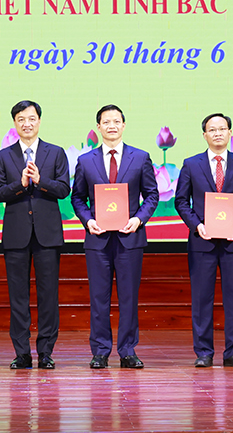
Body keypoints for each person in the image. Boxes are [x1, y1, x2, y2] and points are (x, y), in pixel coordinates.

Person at [71, 104, 159, 369]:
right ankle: (100, 351)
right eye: (106, 122)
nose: (111, 126)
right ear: (98, 127)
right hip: (97, 239)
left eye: (116, 121)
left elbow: (151, 195)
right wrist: (88, 220)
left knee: (129, 298)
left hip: (129, 238)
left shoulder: (140, 157)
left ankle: (128, 351)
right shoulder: (86, 160)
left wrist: (138, 219)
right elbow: (78, 197)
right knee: (99, 298)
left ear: (124, 125)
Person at [0, 100, 70, 369]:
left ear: (39, 121)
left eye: (31, 118)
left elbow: (63, 189)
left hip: (47, 235)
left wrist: (40, 181)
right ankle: (22, 353)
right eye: (21, 119)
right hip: (16, 235)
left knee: (48, 296)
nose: (27, 123)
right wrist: (20, 184)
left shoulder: (55, 153)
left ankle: (46, 352)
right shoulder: (4, 156)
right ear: (14, 123)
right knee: (18, 297)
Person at [174, 113, 233, 368]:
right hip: (202, 242)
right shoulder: (191, 164)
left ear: (230, 132)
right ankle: (203, 352)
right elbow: (181, 201)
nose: (218, 133)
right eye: (212, 129)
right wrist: (197, 226)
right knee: (202, 299)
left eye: (222, 128)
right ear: (204, 135)